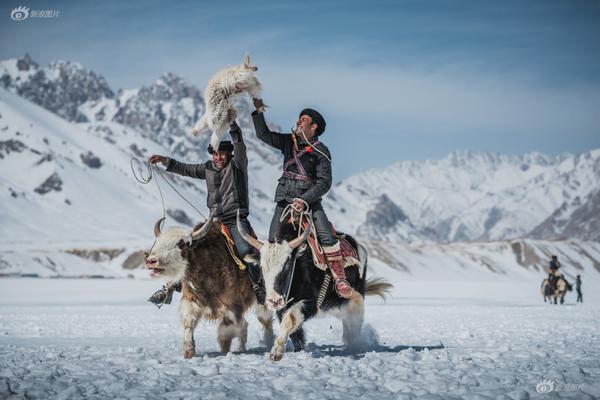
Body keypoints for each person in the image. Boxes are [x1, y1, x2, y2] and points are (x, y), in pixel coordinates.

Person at [147, 120, 264, 305]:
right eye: (215, 155)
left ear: (229, 155)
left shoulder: (237, 166)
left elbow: (240, 145)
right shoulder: (207, 168)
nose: (218, 158)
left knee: (246, 252)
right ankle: (170, 287)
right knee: (188, 250)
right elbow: (185, 169)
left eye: (222, 154)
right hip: (213, 221)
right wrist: (165, 161)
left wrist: (232, 124)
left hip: (236, 221)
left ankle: (258, 286)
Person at [250, 98, 354, 299]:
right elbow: (263, 134)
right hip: (284, 201)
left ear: (314, 127)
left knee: (326, 235)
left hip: (310, 204)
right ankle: (270, 287)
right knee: (273, 244)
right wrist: (258, 110)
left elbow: (324, 182)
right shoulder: (287, 142)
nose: (299, 122)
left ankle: (340, 279)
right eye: (299, 118)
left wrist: (304, 199)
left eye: (304, 119)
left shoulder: (321, 151)